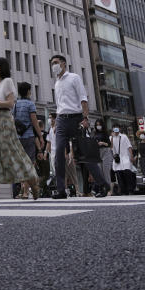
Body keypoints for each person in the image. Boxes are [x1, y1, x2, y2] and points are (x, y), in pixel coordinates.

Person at [0, 57, 40, 204]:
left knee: (12, 154)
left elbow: (11, 103)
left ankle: (32, 181)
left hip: (4, 121)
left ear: (1, 67)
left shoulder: (8, 81)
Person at [49, 54, 109, 199]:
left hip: (76, 118)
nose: (54, 66)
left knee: (84, 154)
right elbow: (59, 105)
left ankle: (103, 185)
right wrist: (56, 123)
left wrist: (85, 117)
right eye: (52, 63)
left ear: (63, 63)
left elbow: (83, 97)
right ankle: (61, 189)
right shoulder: (56, 83)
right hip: (62, 120)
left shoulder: (74, 77)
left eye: (56, 62)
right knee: (58, 155)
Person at [13, 81, 44, 198]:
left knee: (22, 164)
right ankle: (29, 189)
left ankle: (25, 190)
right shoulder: (30, 104)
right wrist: (40, 136)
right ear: (28, 91)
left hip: (18, 138)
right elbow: (35, 122)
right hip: (29, 136)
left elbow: (13, 120)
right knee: (30, 164)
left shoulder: (16, 104)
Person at [110, 127, 136, 195]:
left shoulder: (124, 137)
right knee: (119, 175)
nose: (115, 132)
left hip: (125, 158)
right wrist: (112, 138)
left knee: (127, 174)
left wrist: (131, 156)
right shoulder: (112, 138)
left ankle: (130, 190)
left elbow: (129, 146)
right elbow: (111, 148)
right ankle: (123, 190)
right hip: (118, 159)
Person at [94, 120, 114, 188]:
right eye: (97, 125)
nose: (98, 126)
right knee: (100, 171)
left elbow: (109, 144)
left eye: (99, 124)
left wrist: (102, 143)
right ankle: (102, 188)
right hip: (98, 152)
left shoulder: (105, 133)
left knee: (106, 171)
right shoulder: (95, 133)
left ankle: (108, 188)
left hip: (105, 151)